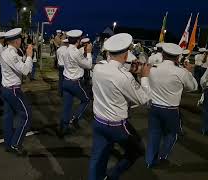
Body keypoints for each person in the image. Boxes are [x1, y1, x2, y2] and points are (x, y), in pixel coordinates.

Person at [88, 33, 151, 180]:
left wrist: (128, 71)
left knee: (97, 158)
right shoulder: (124, 76)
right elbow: (143, 98)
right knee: (137, 151)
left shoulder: (98, 68)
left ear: (109, 52)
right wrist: (144, 77)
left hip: (99, 121)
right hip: (116, 126)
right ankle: (112, 176)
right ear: (126, 54)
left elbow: (114, 75)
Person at [146, 43, 198, 168]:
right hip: (171, 109)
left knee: (154, 134)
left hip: (155, 107)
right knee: (171, 135)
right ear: (178, 57)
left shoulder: (153, 68)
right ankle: (162, 156)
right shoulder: (181, 72)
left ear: (163, 54)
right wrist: (189, 72)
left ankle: (150, 160)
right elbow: (193, 87)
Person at [1, 28, 33, 156]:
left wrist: (25, 57)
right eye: (20, 39)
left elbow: (19, 63)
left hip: (6, 88)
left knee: (8, 117)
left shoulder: (7, 51)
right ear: (16, 41)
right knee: (27, 116)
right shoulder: (11, 54)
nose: (21, 41)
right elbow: (25, 71)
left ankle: (8, 143)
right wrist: (30, 56)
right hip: (13, 90)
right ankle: (15, 144)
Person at [59, 30, 92, 137]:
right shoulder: (76, 52)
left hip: (66, 81)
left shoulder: (65, 50)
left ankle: (64, 128)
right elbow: (88, 65)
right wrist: (89, 53)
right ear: (78, 40)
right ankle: (75, 118)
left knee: (67, 106)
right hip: (74, 82)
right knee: (86, 99)